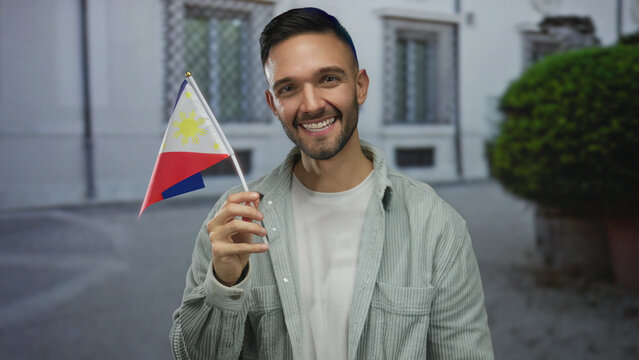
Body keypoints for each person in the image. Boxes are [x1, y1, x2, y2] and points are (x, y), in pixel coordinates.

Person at [170, 7, 493, 360]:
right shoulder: (234, 221)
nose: (311, 105)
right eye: (289, 88)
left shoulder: (436, 224)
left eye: (328, 79)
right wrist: (224, 283)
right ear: (273, 104)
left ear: (360, 87)